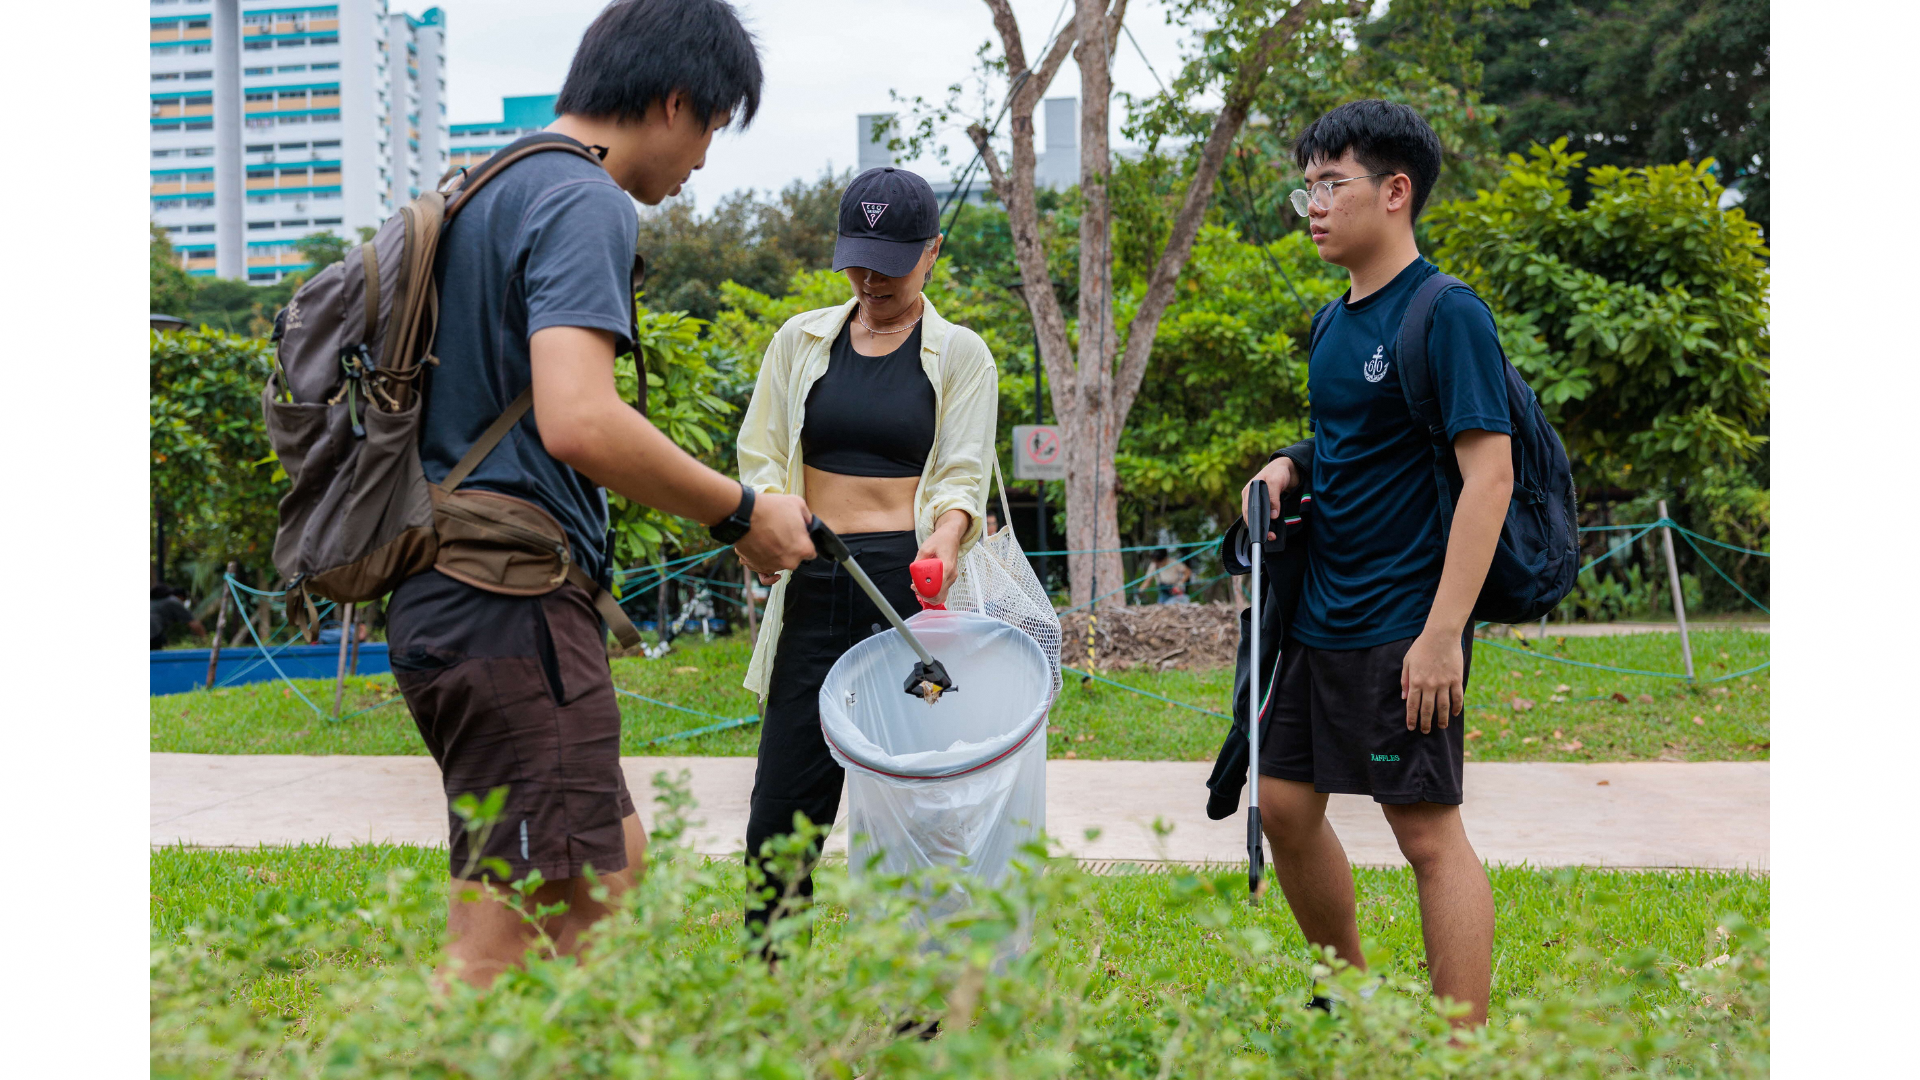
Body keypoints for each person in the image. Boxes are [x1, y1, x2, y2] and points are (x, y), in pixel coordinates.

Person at [385, 0, 817, 989]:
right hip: (506, 602)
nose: (703, 162)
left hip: (456, 594)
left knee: (596, 871)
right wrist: (740, 511)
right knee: (533, 922)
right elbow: (578, 417)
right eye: (711, 130)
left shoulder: (483, 186)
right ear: (674, 105)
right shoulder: (583, 200)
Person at [1239, 100, 1511, 1027]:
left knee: (1426, 833)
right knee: (1281, 803)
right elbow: (1350, 443)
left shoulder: (1448, 313)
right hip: (1320, 618)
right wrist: (1291, 462)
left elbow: (1489, 476)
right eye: (1305, 186)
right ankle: (1350, 998)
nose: (1312, 203)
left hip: (1404, 623)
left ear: (1396, 193)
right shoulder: (1334, 323)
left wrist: (1442, 638)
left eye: (1331, 183)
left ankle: (1457, 1047)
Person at [736, 165, 998, 941]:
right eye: (857, 259)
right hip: (815, 585)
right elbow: (761, 453)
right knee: (780, 816)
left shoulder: (962, 355)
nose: (870, 278)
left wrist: (946, 540)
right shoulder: (800, 341)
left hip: (906, 598)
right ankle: (773, 993)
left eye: (890, 262)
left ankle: (920, 1008)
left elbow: (962, 475)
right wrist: (762, 524)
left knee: (914, 809)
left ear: (932, 252)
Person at [149, 584, 205, 650]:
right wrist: (205, 640)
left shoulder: (154, 601)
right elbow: (194, 624)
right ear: (180, 597)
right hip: (153, 631)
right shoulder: (173, 601)